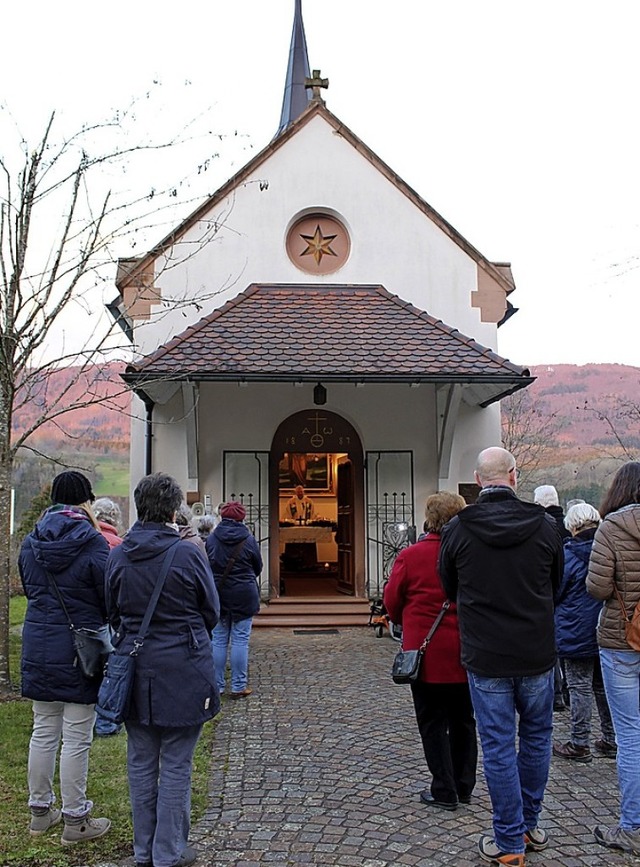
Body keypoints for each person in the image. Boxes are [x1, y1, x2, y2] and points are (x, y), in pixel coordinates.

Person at [439, 447, 563, 867]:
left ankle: (510, 840)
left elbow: (449, 586)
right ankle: (528, 825)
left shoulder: (458, 529)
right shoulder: (546, 526)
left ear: (478, 480)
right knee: (536, 738)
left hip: (486, 653)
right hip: (536, 651)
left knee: (497, 746)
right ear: (513, 475)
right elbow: (557, 587)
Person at [104, 472, 220, 867]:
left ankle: (144, 851)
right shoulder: (188, 553)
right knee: (175, 765)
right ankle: (167, 852)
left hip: (135, 669)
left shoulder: (118, 554)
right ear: (174, 511)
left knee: (140, 763)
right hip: (184, 668)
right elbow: (212, 611)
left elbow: (113, 611)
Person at [19, 470, 112, 845]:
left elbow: (29, 589)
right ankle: (76, 819)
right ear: (86, 500)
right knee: (76, 735)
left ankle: (40, 812)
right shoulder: (92, 541)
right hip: (79, 646)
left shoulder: (30, 541)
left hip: (39, 641)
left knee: (43, 729)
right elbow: (108, 593)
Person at [383, 492, 476, 811]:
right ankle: (464, 784)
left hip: (427, 654)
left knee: (433, 722)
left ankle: (444, 788)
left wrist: (405, 620)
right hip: (466, 650)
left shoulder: (412, 556)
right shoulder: (471, 552)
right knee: (464, 720)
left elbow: (392, 602)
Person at [587, 461, 640, 856]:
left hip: (622, 639)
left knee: (631, 737)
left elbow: (598, 587)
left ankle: (633, 826)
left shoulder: (611, 527)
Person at [553, 503, 616, 762]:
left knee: (579, 686)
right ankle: (611, 739)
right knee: (602, 687)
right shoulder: (607, 549)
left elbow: (556, 592)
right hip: (605, 626)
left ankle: (580, 742)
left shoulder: (568, 555)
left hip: (574, 629)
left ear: (573, 525)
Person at [206, 501, 263, 698]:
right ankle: (238, 686)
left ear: (222, 517)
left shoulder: (212, 539)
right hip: (244, 594)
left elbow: (208, 564)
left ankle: (218, 685)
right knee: (240, 641)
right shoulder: (248, 539)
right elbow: (258, 566)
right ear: (242, 518)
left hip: (219, 594)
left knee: (219, 641)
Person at [92, 497, 125, 737]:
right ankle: (106, 722)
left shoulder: (86, 541)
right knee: (111, 671)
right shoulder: (118, 545)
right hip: (111, 615)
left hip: (85, 615)